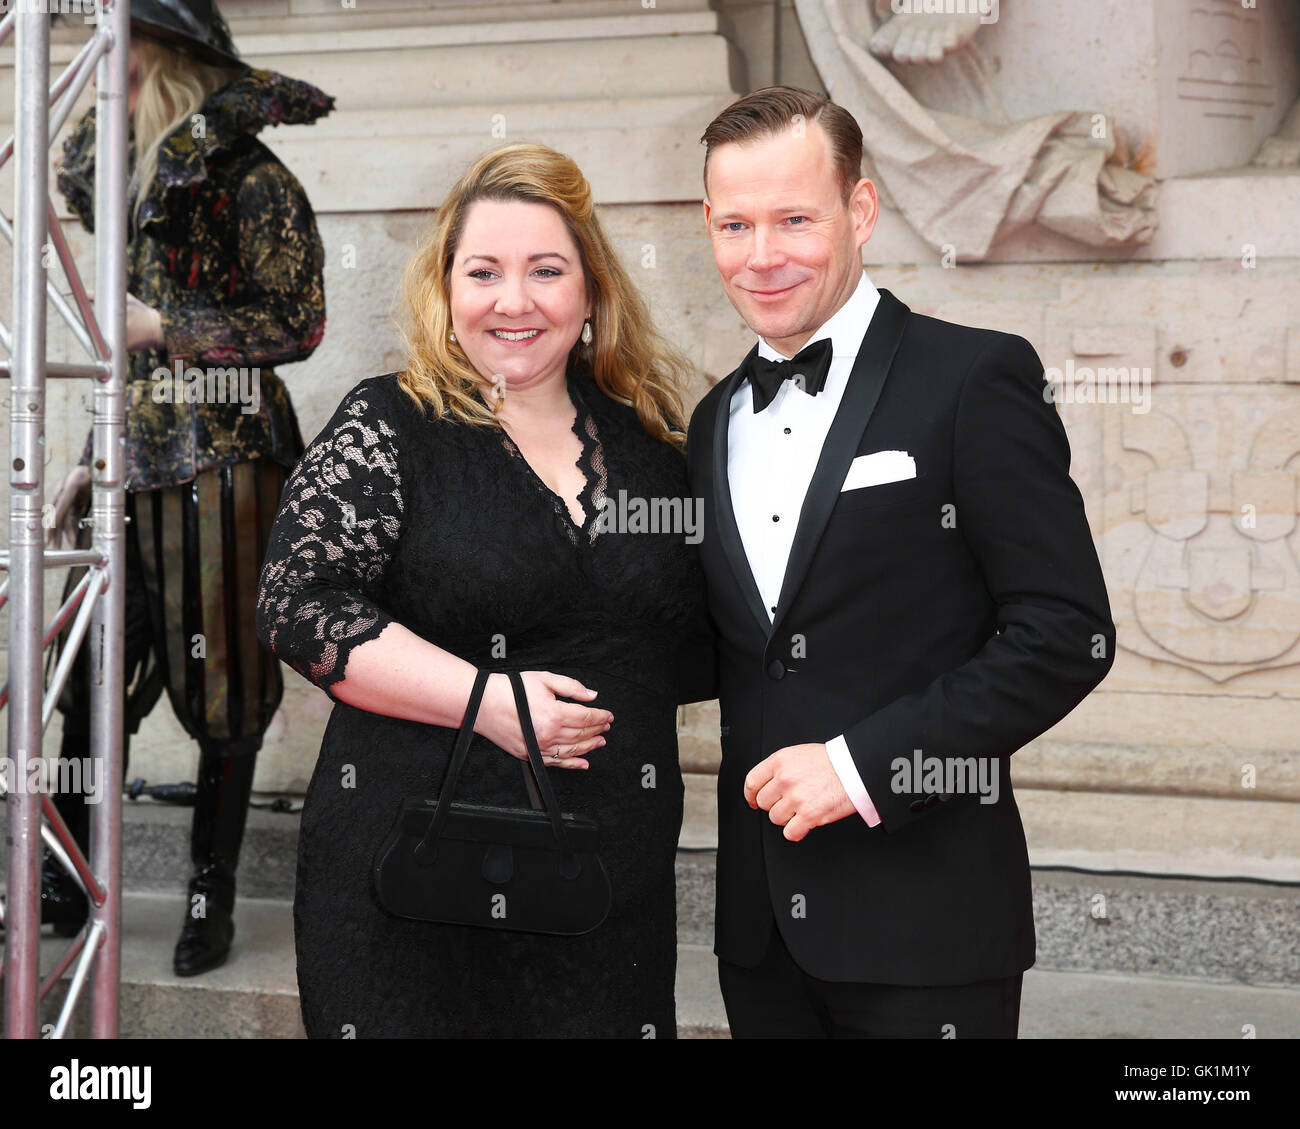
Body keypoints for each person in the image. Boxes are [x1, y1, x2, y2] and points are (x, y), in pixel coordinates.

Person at [256, 142, 714, 1038]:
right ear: (446, 288)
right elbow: (300, 603)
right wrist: (487, 702)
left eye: (546, 270)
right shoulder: (391, 422)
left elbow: (709, 638)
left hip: (607, 895)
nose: (514, 300)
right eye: (484, 271)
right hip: (411, 887)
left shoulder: (659, 446)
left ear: (591, 293)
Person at [686, 86, 1116, 1038]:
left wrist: (866, 767)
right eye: (736, 224)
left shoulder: (974, 377)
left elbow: (1066, 633)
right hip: (759, 939)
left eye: (795, 218)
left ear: (861, 210)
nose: (763, 255)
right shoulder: (711, 419)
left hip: (931, 925)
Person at [37, 0, 333, 977]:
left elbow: (296, 323)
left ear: (171, 61)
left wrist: (166, 325)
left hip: (225, 459)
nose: (100, 73)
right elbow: (110, 346)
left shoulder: (253, 178)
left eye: (120, 56)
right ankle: (65, 871)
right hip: (128, 458)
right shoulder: (124, 182)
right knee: (86, 676)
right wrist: (86, 455)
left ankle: (211, 884)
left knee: (228, 689)